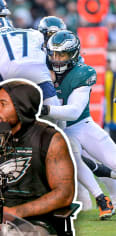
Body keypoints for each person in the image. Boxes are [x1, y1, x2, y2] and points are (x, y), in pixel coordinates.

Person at [0, 80, 75, 234]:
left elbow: (64, 193)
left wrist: (17, 212)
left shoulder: (50, 139)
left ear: (22, 107)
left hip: (38, 222)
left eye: (3, 104)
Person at [41, 30, 116, 219]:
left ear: (73, 54)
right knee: (72, 154)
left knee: (113, 160)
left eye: (62, 55)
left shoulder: (83, 72)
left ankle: (112, 199)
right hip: (54, 131)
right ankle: (101, 200)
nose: (57, 59)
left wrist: (44, 110)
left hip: (80, 124)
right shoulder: (40, 65)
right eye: (54, 54)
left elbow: (73, 111)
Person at [0, 17, 60, 110]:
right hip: (40, 78)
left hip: (15, 83)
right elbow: (51, 71)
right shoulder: (32, 32)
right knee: (58, 117)